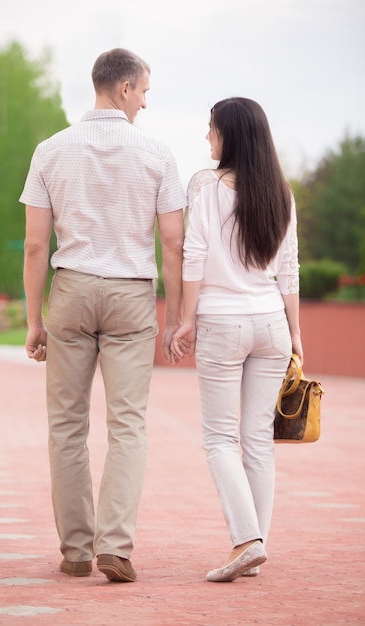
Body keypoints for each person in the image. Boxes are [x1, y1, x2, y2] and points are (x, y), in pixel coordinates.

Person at [20, 48, 185, 583]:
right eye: (142, 92)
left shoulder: (50, 150)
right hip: (130, 295)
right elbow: (174, 243)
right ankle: (115, 544)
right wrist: (178, 315)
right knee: (128, 424)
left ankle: (74, 549)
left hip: (70, 290)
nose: (143, 103)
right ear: (122, 88)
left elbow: (34, 246)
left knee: (66, 425)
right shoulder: (157, 155)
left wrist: (33, 321)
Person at [171, 97, 303, 582]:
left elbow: (193, 258)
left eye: (212, 129)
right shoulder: (281, 193)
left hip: (223, 324)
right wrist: (296, 334)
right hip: (271, 323)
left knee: (220, 439)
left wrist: (186, 320)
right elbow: (288, 270)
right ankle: (255, 546)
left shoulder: (207, 188)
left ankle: (247, 541)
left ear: (232, 135)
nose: (207, 137)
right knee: (257, 443)